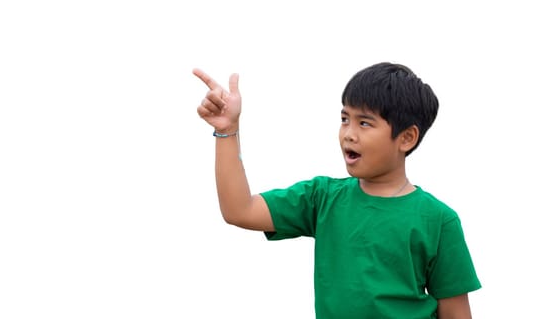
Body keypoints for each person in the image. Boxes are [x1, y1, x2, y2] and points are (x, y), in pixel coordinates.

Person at [193, 62, 481, 319]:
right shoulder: (322, 198)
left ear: (406, 138)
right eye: (345, 119)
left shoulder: (439, 220)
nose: (348, 133)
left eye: (364, 123)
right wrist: (227, 130)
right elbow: (239, 210)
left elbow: (456, 313)